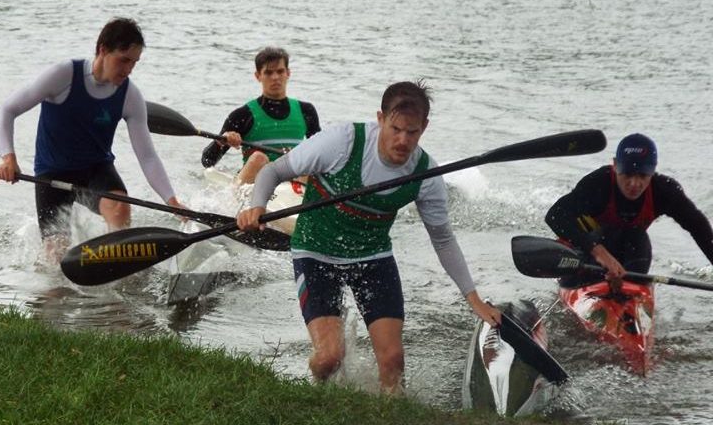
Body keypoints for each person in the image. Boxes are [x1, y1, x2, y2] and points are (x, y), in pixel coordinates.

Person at [236, 80, 501, 394]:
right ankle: (317, 395)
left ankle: (392, 424)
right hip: (316, 253)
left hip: (372, 258)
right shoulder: (341, 142)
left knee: (393, 361)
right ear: (380, 119)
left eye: (412, 132)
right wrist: (257, 207)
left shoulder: (425, 174)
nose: (403, 140)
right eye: (395, 129)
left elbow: (443, 239)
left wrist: (473, 298)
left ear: (424, 128)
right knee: (328, 359)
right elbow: (272, 171)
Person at [0, 17, 183, 259]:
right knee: (55, 260)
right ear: (103, 50)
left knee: (119, 208)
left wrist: (171, 200)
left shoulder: (130, 96)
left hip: (95, 171)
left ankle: (119, 270)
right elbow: (7, 111)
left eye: (134, 63)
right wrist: (8, 158)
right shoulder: (63, 75)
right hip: (51, 174)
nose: (128, 70)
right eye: (123, 60)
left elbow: (147, 157)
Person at [545, 132, 713, 289]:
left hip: (631, 254)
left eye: (642, 176)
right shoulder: (598, 184)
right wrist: (598, 251)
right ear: (616, 165)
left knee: (638, 237)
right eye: (628, 174)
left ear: (653, 171)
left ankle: (629, 291)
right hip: (586, 253)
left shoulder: (664, 191)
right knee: (607, 234)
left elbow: (699, 228)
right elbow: (555, 215)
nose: (634, 184)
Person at [200, 47, 320, 184]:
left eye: (280, 71)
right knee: (259, 158)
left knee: (309, 159)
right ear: (258, 76)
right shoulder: (242, 115)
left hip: (291, 188)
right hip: (254, 185)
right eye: (268, 73)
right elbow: (207, 161)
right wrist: (220, 142)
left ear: (288, 73)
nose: (275, 77)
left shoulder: (306, 111)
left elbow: (322, 155)